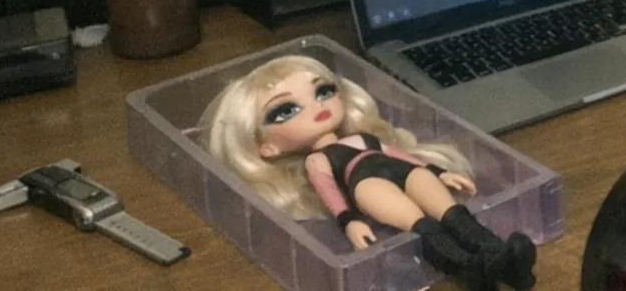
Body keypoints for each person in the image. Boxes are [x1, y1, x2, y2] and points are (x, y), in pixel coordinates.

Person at [203, 53, 537, 290]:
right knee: (424, 227)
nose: (317, 106)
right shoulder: (316, 162)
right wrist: (350, 221)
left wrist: (437, 171)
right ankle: (469, 271)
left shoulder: (362, 137)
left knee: (452, 212)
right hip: (367, 184)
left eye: (323, 91)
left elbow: (398, 155)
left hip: (401, 170)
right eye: (285, 110)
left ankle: (502, 256)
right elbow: (331, 193)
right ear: (266, 148)